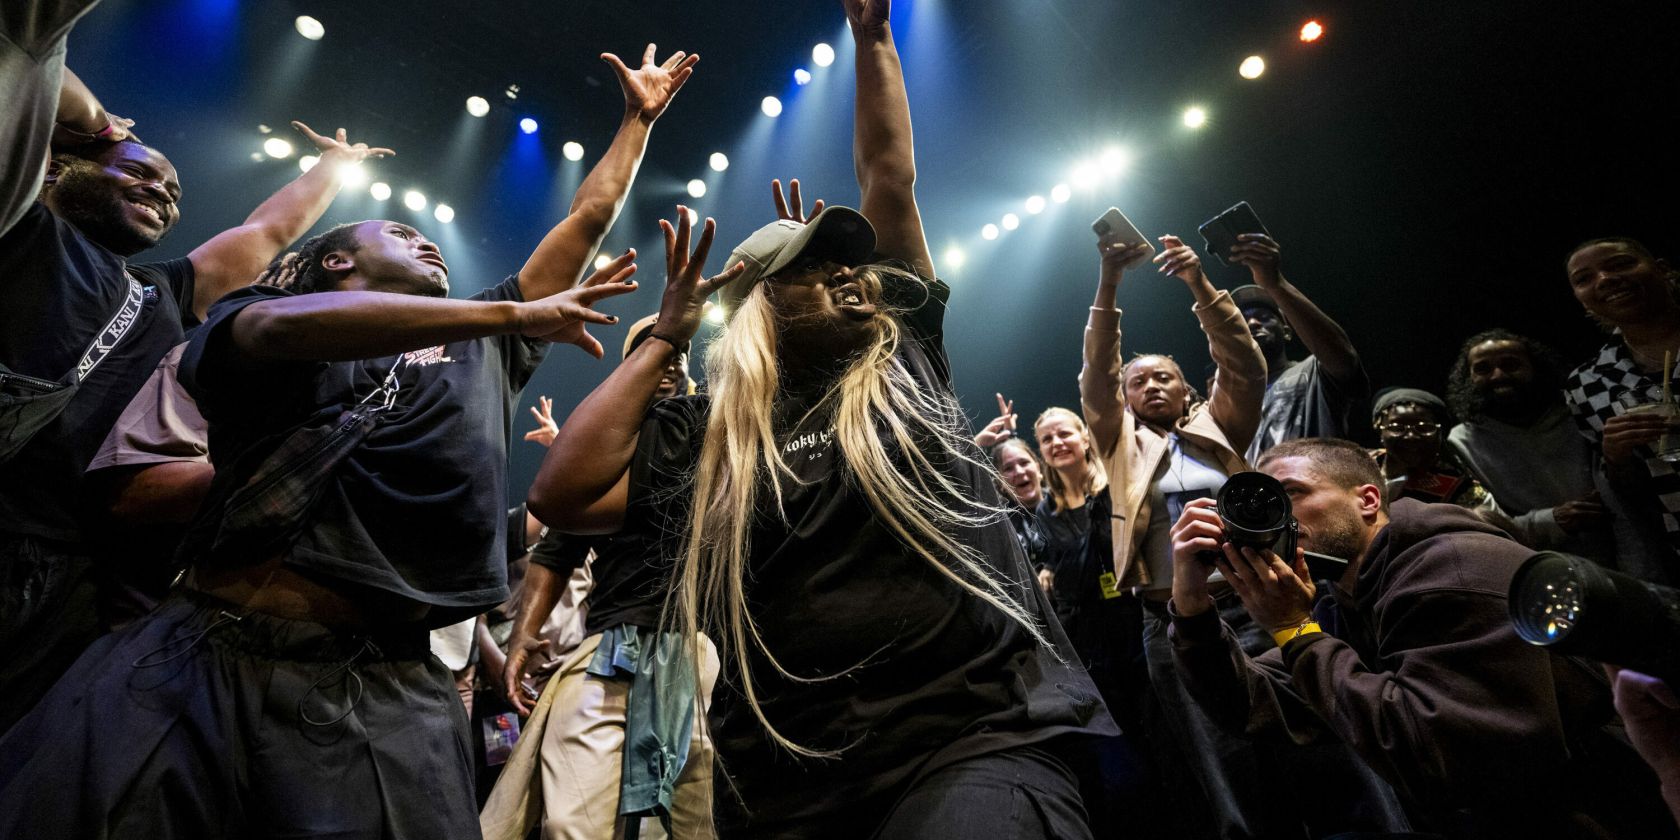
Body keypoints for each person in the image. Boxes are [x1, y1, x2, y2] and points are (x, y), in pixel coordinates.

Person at [0, 42, 696, 838]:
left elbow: (587, 217)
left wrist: (637, 123)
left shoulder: (485, 345)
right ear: (334, 260)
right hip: (204, 650)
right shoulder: (259, 316)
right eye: (400, 234)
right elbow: (273, 328)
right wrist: (509, 313)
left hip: (385, 679)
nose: (428, 243)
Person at [530, 3, 1114, 836]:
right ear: (762, 306)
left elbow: (889, 179)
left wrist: (874, 39)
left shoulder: (902, 354)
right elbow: (561, 495)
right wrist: (666, 336)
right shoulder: (709, 430)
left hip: (971, 735)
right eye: (813, 267)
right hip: (787, 774)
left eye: (849, 261)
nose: (848, 273)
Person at [2, 0, 398, 731]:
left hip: (73, 565)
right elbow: (27, 54)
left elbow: (268, 230)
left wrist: (334, 167)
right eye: (140, 173)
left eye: (173, 193)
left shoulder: (158, 291)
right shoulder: (20, 224)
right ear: (59, 167)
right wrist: (105, 128)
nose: (161, 192)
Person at [1166, 437, 1679, 838]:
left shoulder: (1452, 569)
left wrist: (1296, 630)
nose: (1279, 519)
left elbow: (1438, 759)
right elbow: (1252, 705)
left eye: (1292, 494)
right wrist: (1192, 605)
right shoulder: (1348, 595)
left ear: (1368, 500)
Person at [481, 313, 717, 840]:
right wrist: (522, 635)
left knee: (688, 823)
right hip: (614, 643)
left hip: (701, 645)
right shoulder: (609, 452)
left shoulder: (715, 427)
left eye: (678, 352)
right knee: (574, 821)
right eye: (654, 351)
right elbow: (558, 545)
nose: (669, 363)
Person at [1564, 237, 1680, 586]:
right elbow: (1632, 495)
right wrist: (1617, 458)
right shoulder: (1584, 383)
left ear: (1662, 270)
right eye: (1584, 279)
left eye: (1620, 264)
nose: (1604, 279)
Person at [1445, 329, 1612, 558]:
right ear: (1468, 378)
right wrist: (1550, 521)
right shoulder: (1460, 443)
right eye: (1483, 369)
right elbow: (1476, 522)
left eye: (1511, 365)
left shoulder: (1582, 417)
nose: (1498, 375)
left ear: (1537, 368)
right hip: (1533, 564)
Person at [1224, 232, 1369, 462]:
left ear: (1287, 331)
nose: (1252, 323)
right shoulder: (1233, 398)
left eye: (1264, 316)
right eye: (1243, 321)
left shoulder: (1314, 372)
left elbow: (1344, 358)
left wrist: (1275, 284)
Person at [1369, 388, 1493, 509]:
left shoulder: (1464, 490)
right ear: (1380, 431)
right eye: (1397, 428)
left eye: (1424, 428)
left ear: (1440, 434)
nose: (1410, 436)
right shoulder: (1363, 464)